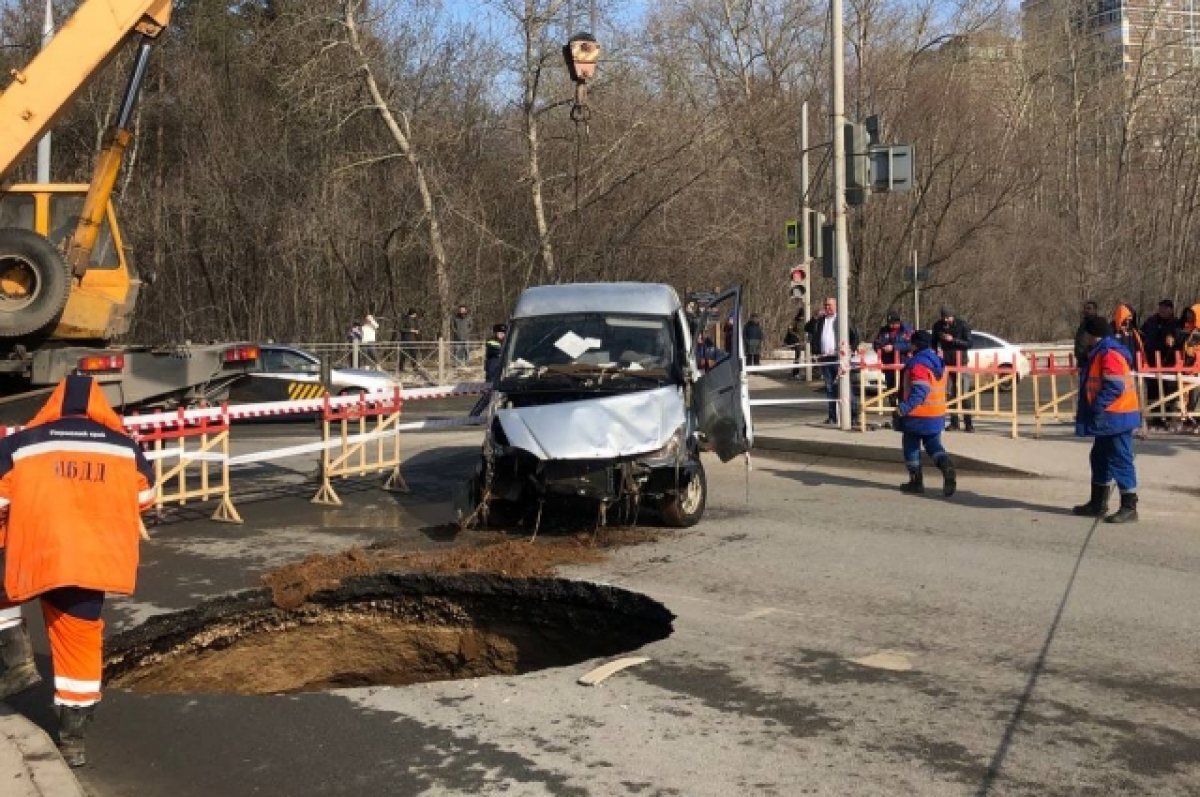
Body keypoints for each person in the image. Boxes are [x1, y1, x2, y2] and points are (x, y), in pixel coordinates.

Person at [0, 375, 155, 767]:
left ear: (54, 403)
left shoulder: (21, 443)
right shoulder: (125, 448)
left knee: (4, 592)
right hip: (91, 559)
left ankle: (15, 661)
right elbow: (145, 497)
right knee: (79, 640)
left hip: (39, 553)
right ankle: (73, 736)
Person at [1072, 314, 1141, 523]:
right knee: (1100, 457)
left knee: (1121, 459)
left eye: (1085, 334)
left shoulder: (1109, 353)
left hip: (1116, 415)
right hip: (1109, 416)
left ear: (1092, 335)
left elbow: (1114, 386)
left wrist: (1097, 406)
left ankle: (1129, 506)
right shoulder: (1101, 351)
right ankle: (1097, 503)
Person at [894, 330, 956, 496]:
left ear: (917, 345)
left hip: (917, 415)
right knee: (933, 445)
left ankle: (916, 481)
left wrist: (903, 408)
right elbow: (947, 387)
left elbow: (920, 390)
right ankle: (946, 466)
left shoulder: (918, 364)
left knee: (911, 447)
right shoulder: (939, 362)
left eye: (912, 343)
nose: (910, 346)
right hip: (936, 413)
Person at [805, 297, 859, 424]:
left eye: (830, 305)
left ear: (836, 306)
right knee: (830, 388)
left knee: (846, 387)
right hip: (825, 358)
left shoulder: (842, 320)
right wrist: (815, 317)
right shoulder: (820, 321)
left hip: (839, 358)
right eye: (826, 305)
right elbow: (807, 328)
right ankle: (832, 416)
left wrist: (852, 349)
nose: (827, 307)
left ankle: (854, 415)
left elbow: (854, 335)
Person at [931, 306, 974, 432]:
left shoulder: (962, 325)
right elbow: (933, 342)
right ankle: (954, 422)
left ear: (953, 316)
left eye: (948, 317)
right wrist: (935, 351)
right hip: (947, 363)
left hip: (961, 362)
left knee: (964, 393)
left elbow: (969, 343)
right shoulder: (938, 326)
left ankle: (968, 423)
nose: (946, 320)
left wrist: (953, 340)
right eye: (944, 317)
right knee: (951, 393)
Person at [1141, 300, 1178, 427]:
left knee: (1169, 389)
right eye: (1161, 307)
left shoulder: (1175, 323)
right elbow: (1142, 335)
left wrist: (1173, 340)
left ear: (1171, 310)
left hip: (1169, 360)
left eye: (1165, 308)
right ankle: (1154, 416)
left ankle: (1168, 416)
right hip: (1150, 359)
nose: (1162, 310)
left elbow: (1179, 339)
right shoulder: (1151, 321)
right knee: (1152, 389)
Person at [872, 310, 913, 400]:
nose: (892, 326)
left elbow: (910, 345)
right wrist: (883, 348)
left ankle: (902, 410)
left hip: (903, 364)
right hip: (889, 364)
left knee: (903, 388)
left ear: (898, 322)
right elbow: (876, 344)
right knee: (891, 389)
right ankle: (893, 408)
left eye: (894, 323)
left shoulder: (907, 330)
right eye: (890, 323)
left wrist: (894, 347)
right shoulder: (883, 331)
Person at [1074, 300, 1100, 364]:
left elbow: (1099, 340)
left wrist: (1091, 353)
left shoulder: (1098, 323)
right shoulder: (1083, 324)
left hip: (1092, 359)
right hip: (1081, 358)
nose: (1086, 310)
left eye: (1089, 308)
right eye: (1085, 308)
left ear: (1095, 310)